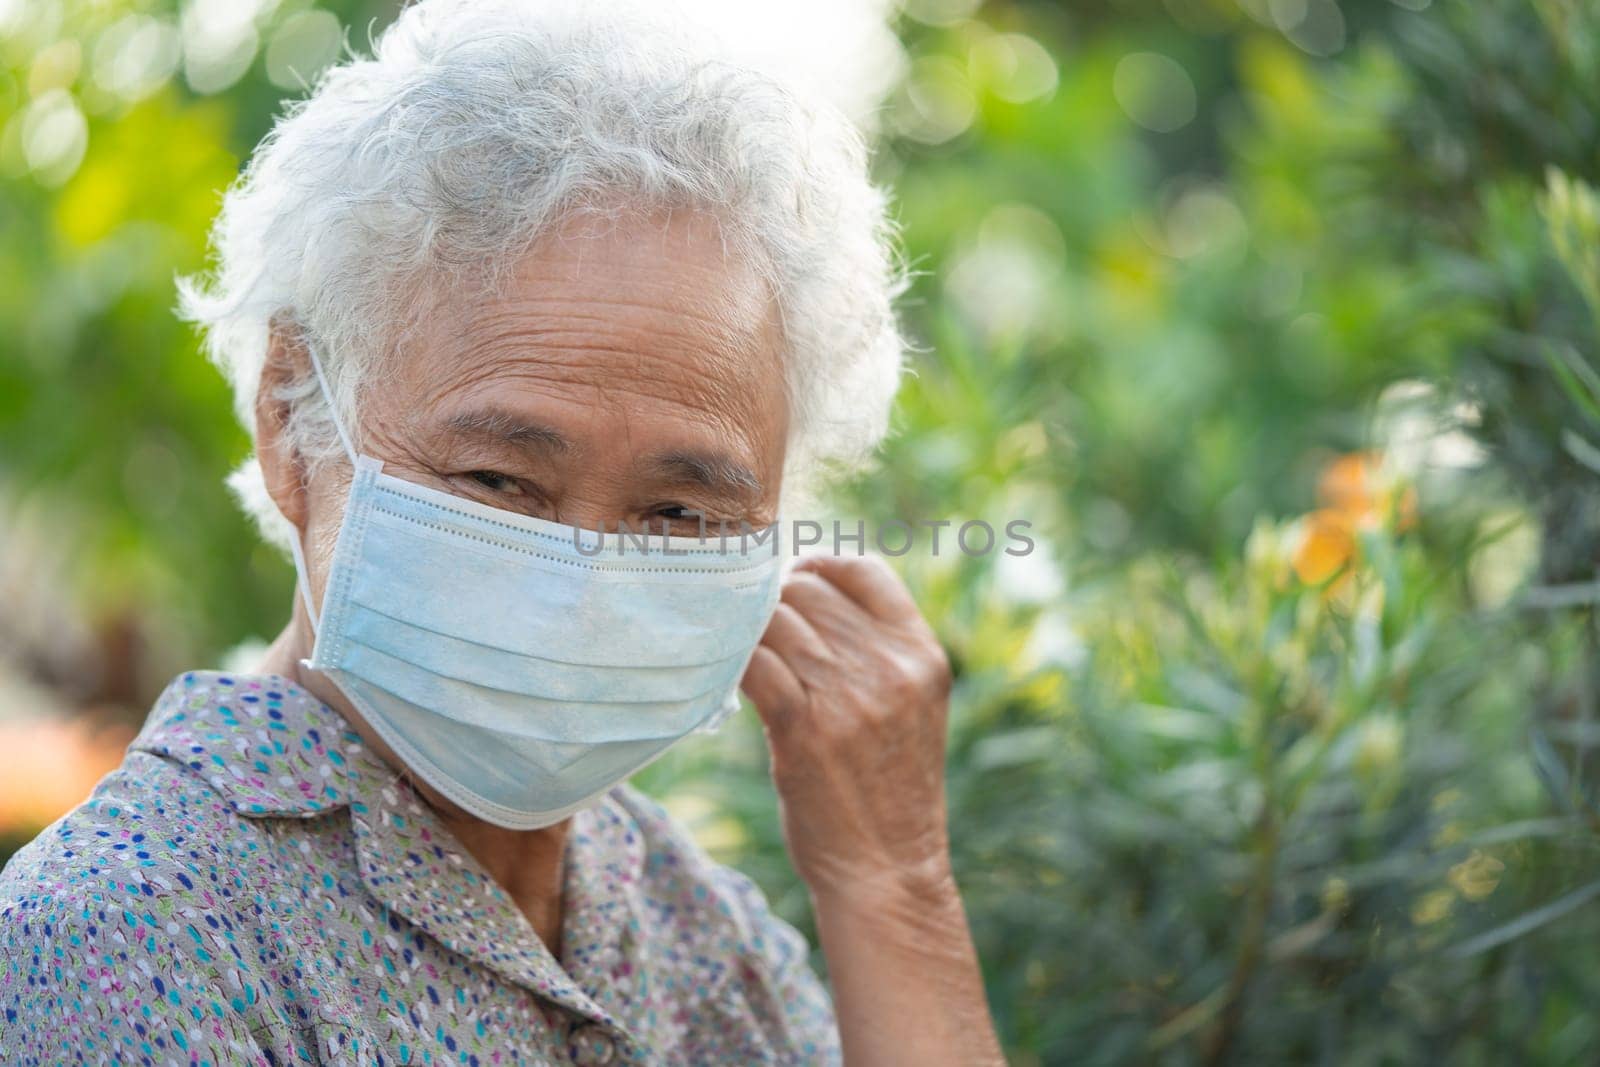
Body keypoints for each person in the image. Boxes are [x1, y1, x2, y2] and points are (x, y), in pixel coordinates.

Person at [0, 2, 1004, 1063]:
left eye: (679, 510)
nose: (582, 583)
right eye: (501, 479)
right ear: (294, 421)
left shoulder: (688, 926)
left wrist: (893, 884)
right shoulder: (132, 930)